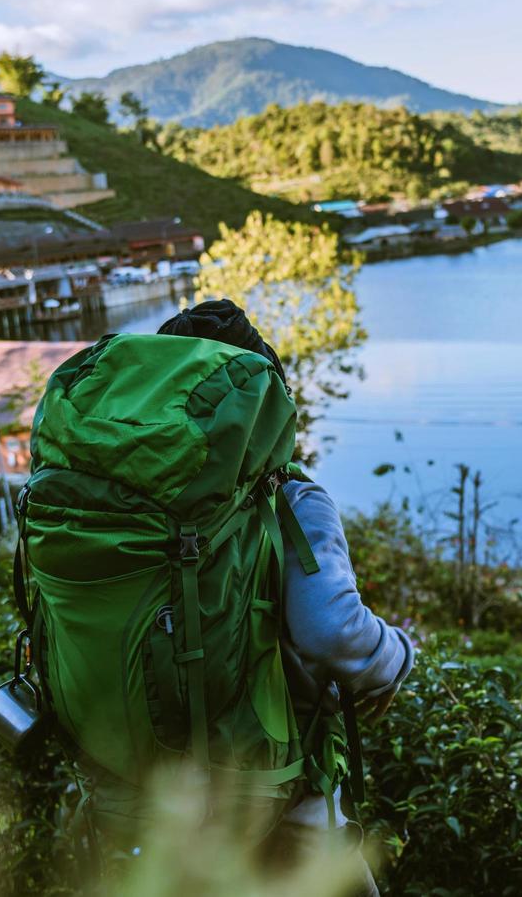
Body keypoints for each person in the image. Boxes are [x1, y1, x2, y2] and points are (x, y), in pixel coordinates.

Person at [157, 299, 413, 896]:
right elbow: (332, 630)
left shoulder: (126, 506)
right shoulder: (289, 498)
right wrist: (398, 655)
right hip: (270, 801)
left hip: (139, 790)